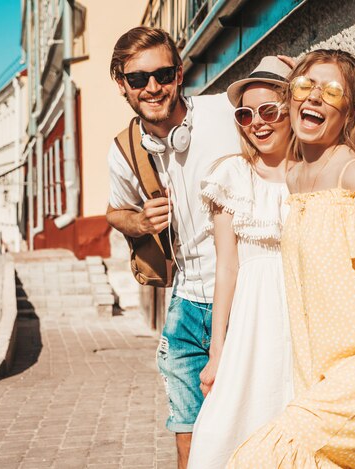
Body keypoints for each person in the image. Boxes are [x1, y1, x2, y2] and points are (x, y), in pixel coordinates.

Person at [227, 49, 355, 469]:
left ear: (347, 111)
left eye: (332, 91)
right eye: (305, 86)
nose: (315, 98)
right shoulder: (294, 176)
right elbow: (333, 146)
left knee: (262, 458)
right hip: (328, 370)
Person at [106, 26, 241, 468]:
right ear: (121, 83)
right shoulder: (126, 150)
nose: (152, 87)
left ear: (180, 74)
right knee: (187, 434)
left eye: (163, 74)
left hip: (240, 300)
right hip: (184, 303)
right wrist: (140, 222)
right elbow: (114, 212)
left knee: (245, 431)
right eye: (138, 79)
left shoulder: (225, 114)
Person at [187, 57, 296, 469]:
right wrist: (217, 354)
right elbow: (227, 270)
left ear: (292, 110)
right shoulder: (231, 176)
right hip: (251, 325)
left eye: (269, 110)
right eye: (246, 113)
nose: (257, 122)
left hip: (302, 319)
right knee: (223, 430)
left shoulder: (315, 173)